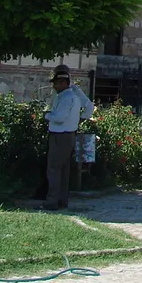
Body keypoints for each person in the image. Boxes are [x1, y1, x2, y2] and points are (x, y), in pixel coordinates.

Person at [43, 64, 95, 210]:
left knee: (54, 168)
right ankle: (61, 200)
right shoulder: (65, 93)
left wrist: (79, 119)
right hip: (68, 133)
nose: (53, 85)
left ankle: (52, 201)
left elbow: (59, 116)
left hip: (61, 134)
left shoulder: (70, 93)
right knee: (64, 169)